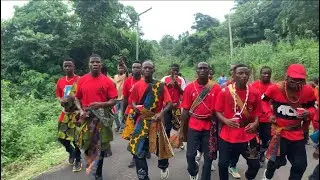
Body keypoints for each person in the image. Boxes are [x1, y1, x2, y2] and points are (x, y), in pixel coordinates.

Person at [262, 64, 317, 180]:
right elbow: (264, 101)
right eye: (294, 80)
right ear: (287, 77)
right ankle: (267, 175)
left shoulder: (308, 91)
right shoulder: (275, 88)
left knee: (300, 165)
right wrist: (269, 114)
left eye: (300, 80)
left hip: (297, 133)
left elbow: (313, 108)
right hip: (279, 132)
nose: (297, 83)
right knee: (275, 161)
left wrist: (308, 113)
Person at [128, 60, 174, 180]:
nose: (147, 70)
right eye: (145, 68)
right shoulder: (137, 85)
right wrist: (134, 107)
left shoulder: (160, 85)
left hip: (156, 122)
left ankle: (164, 166)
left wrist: (161, 113)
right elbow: (132, 100)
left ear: (154, 70)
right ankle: (144, 177)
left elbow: (169, 103)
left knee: (161, 149)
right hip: (141, 122)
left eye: (150, 68)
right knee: (138, 152)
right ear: (142, 70)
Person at [74, 54, 118, 180]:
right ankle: (92, 166)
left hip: (102, 119)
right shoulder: (82, 80)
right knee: (87, 145)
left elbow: (113, 100)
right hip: (87, 118)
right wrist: (80, 110)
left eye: (97, 62)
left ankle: (98, 173)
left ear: (101, 64)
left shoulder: (107, 81)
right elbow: (77, 98)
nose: (95, 64)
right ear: (89, 64)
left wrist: (101, 104)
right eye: (92, 62)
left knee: (101, 146)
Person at [216, 64, 262, 180]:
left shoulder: (255, 92)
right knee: (222, 164)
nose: (244, 76)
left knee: (255, 164)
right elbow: (217, 111)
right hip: (227, 134)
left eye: (246, 73)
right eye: (240, 73)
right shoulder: (224, 91)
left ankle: (249, 176)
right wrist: (226, 120)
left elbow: (258, 112)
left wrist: (256, 123)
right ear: (233, 75)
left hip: (247, 133)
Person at [180, 62, 221, 180]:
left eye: (205, 68)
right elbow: (185, 111)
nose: (202, 70)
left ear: (209, 71)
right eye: (200, 68)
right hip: (194, 126)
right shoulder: (189, 88)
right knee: (190, 155)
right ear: (196, 71)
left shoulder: (216, 88)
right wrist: (182, 131)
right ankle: (193, 170)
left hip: (210, 128)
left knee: (209, 158)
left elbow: (219, 111)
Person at [55, 58, 82, 172]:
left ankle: (78, 159)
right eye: (65, 66)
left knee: (76, 138)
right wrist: (61, 100)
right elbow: (58, 95)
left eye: (69, 66)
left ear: (74, 66)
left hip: (76, 113)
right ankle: (70, 152)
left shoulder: (79, 80)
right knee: (61, 137)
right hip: (65, 112)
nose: (67, 68)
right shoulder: (60, 81)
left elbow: (82, 95)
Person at [250, 66, 274, 166]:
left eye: (268, 73)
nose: (266, 75)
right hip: (255, 118)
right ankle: (255, 156)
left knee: (266, 139)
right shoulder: (254, 85)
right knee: (253, 138)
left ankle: (261, 153)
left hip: (267, 119)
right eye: (264, 73)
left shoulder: (273, 87)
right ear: (260, 74)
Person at [121, 61, 143, 168]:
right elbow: (125, 99)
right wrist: (123, 113)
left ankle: (141, 152)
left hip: (143, 112)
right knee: (131, 136)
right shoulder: (127, 82)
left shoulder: (146, 81)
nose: (136, 69)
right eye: (134, 67)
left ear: (142, 69)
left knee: (142, 135)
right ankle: (135, 156)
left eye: (138, 67)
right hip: (130, 112)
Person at [161, 64, 186, 138]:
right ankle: (167, 141)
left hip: (176, 106)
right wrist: (167, 86)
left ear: (178, 71)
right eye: (173, 70)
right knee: (167, 126)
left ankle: (177, 141)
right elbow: (159, 91)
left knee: (177, 125)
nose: (175, 72)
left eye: (176, 70)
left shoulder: (181, 80)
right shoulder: (165, 79)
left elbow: (184, 93)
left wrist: (178, 87)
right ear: (170, 70)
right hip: (166, 106)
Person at [113, 56, 128, 133]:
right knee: (115, 114)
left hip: (123, 98)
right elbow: (114, 86)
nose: (121, 69)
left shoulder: (125, 76)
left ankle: (122, 127)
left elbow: (127, 71)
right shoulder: (115, 77)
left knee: (122, 113)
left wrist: (123, 64)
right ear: (117, 69)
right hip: (116, 98)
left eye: (122, 68)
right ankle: (118, 125)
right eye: (119, 68)